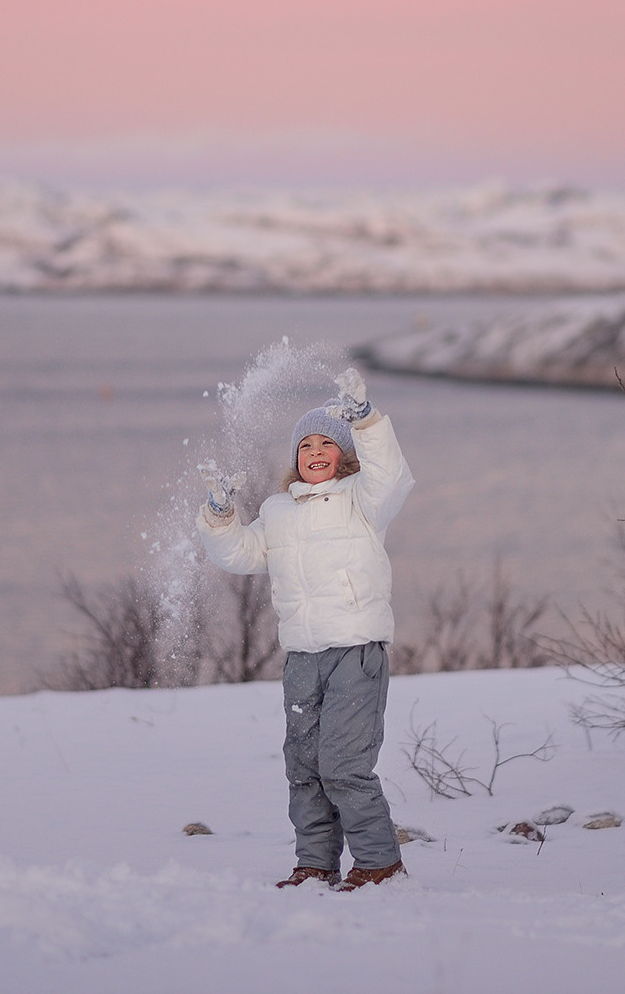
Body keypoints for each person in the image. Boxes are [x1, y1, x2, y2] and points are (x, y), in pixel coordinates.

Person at [198, 366, 415, 891]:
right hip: (302, 657)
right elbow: (241, 554)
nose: (315, 452)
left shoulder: (363, 499)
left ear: (346, 455)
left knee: (343, 763)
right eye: (305, 446)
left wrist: (366, 421)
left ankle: (379, 863)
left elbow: (392, 477)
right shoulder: (278, 511)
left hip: (355, 652)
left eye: (326, 443)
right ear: (295, 458)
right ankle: (315, 863)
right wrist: (220, 516)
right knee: (304, 766)